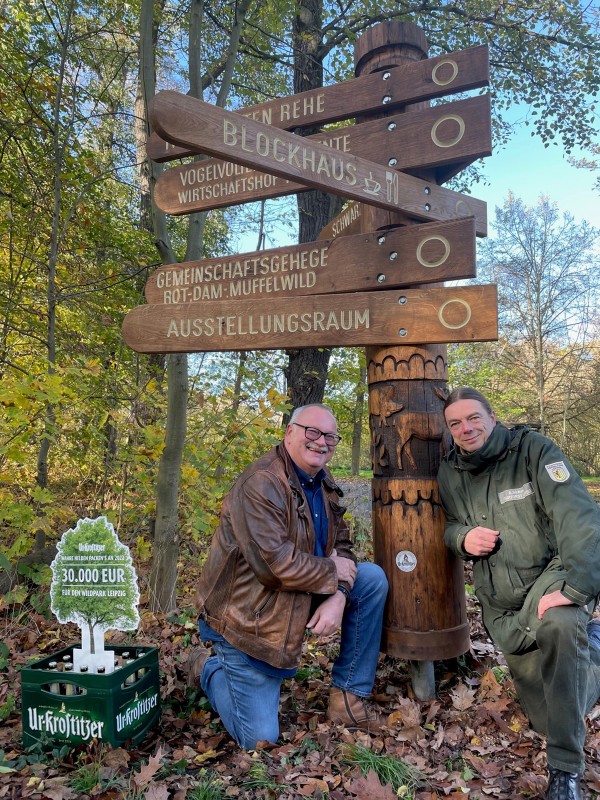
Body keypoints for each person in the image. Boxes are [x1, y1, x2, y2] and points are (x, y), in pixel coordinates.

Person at [186, 403, 389, 749]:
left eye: (330, 436)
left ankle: (348, 697)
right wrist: (331, 572)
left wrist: (339, 594)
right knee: (260, 739)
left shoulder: (321, 483)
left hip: (293, 598)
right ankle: (208, 667)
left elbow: (342, 546)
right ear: (289, 432)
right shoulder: (262, 483)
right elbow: (273, 565)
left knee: (369, 579)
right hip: (247, 620)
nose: (321, 442)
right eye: (312, 432)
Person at [437, 387, 600, 800]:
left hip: (551, 577)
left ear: (491, 418)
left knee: (561, 626)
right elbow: (452, 525)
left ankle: (565, 773)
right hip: (504, 607)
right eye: (454, 423)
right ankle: (594, 648)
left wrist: (577, 588)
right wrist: (461, 538)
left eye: (473, 418)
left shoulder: (534, 451)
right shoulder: (450, 473)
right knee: (549, 715)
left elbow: (578, 517)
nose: (465, 428)